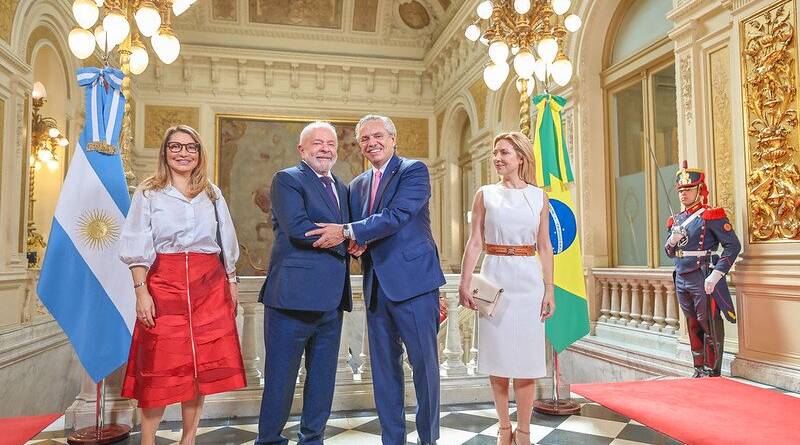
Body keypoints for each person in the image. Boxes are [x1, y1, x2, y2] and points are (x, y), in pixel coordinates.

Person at [307, 114, 445, 445]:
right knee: (384, 373)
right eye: (365, 139)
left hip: (415, 284)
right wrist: (355, 243)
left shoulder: (413, 171)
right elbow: (359, 235)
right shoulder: (356, 186)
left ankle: (428, 439)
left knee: (424, 368)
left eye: (378, 136)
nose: (372, 143)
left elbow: (396, 216)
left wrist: (347, 232)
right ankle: (392, 440)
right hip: (376, 289)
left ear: (393, 139)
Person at [119, 125, 245, 445]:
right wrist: (141, 291)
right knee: (158, 366)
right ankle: (148, 440)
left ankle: (188, 439)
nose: (183, 153)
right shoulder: (149, 192)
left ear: (199, 153)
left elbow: (226, 239)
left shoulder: (211, 193)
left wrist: (231, 281)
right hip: (164, 282)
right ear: (165, 151)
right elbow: (135, 241)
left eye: (191, 147)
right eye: (175, 146)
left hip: (209, 284)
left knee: (198, 368)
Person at [255, 121, 353, 445]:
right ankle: (269, 440)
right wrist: (346, 236)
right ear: (302, 149)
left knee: (322, 381)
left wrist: (351, 235)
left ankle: (312, 440)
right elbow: (299, 229)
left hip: (332, 302)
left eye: (331, 143)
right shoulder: (287, 179)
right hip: (291, 300)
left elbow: (348, 230)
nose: (325, 149)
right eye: (317, 143)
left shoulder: (342, 188)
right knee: (280, 380)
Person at [457, 132, 555, 445]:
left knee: (527, 361)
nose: (497, 158)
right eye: (495, 153)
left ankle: (524, 431)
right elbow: (475, 242)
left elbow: (544, 245)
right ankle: (503, 428)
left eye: (504, 153)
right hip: (494, 277)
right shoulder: (485, 194)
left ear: (521, 158)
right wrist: (464, 282)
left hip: (528, 280)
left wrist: (550, 289)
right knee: (497, 359)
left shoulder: (538, 196)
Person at [665, 161, 741, 378]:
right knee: (691, 323)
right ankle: (698, 369)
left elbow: (733, 245)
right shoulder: (676, 219)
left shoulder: (711, 215)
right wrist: (672, 240)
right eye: (681, 190)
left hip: (702, 274)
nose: (683, 194)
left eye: (688, 189)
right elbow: (669, 252)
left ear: (700, 190)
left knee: (708, 322)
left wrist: (717, 274)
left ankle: (712, 370)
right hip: (681, 275)